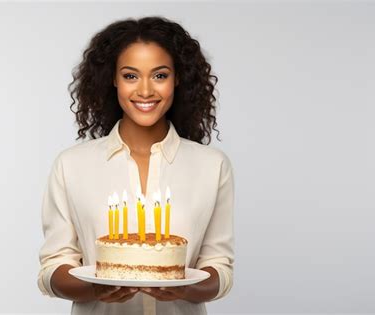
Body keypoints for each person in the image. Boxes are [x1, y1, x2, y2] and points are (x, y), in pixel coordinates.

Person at [37, 16, 234, 315]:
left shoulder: (212, 166)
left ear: (177, 78)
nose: (145, 91)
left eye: (159, 75)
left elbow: (219, 267)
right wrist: (95, 287)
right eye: (130, 76)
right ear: (113, 79)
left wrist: (185, 287)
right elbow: (52, 270)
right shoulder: (71, 165)